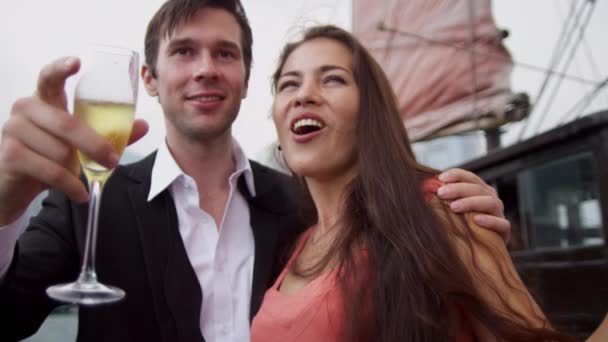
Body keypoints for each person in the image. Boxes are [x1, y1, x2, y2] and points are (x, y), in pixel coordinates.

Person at [0, 1, 509, 341]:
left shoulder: (304, 205)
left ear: (245, 80)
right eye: (184, 52)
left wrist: (459, 223)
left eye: (225, 53)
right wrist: (4, 208)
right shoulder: (87, 199)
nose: (206, 68)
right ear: (150, 80)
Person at [250, 25, 576, 342]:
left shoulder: (440, 206)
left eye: (333, 79)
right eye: (288, 84)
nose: (304, 95)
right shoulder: (296, 243)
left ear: (371, 112)